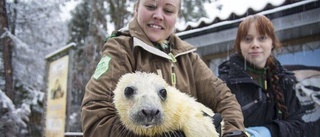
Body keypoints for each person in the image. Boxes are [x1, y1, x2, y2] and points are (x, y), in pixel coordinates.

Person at [81, 0, 247, 136]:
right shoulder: (121, 49)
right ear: (136, 8)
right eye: (151, 6)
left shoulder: (187, 56)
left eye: (168, 10)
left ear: (176, 16)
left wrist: (233, 131)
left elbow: (224, 98)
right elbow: (95, 118)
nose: (158, 16)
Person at [218, 14, 305, 137]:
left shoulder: (284, 81)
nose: (255, 44)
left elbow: (299, 127)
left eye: (262, 38)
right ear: (239, 46)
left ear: (272, 43)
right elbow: (215, 126)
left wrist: (270, 131)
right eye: (248, 39)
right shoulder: (224, 83)